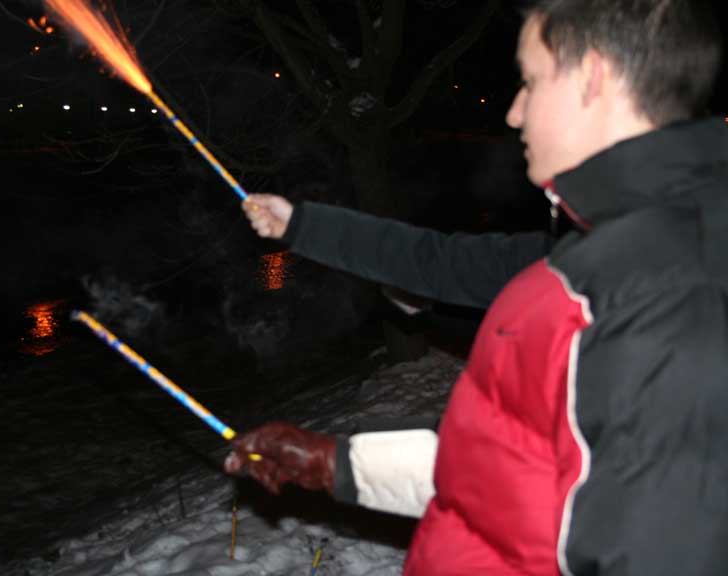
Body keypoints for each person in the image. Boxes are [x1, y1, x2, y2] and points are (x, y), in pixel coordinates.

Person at [224, 0, 728, 573]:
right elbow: (520, 468)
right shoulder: (606, 252)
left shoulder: (668, 293)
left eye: (531, 82)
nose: (513, 113)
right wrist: (331, 464)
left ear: (593, 77)